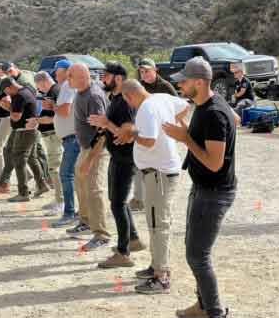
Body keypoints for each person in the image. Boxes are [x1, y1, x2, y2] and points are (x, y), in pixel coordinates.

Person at [163, 57, 237, 318]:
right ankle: (203, 306)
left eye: (183, 81)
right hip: (205, 189)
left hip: (213, 192)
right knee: (193, 250)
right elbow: (236, 119)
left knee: (198, 256)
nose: (179, 85)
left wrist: (186, 139)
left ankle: (214, 311)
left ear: (199, 82)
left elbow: (215, 163)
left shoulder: (214, 113)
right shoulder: (208, 105)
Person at [115, 79, 190, 294]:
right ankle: (157, 265)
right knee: (156, 222)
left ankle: (161, 276)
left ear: (129, 97)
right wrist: (169, 126)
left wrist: (131, 132)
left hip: (159, 174)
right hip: (159, 173)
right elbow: (185, 106)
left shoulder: (147, 109)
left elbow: (148, 140)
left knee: (159, 225)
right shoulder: (161, 98)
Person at [88, 62, 147, 268]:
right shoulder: (116, 99)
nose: (103, 79)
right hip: (118, 156)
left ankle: (123, 253)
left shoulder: (125, 102)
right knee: (117, 201)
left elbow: (128, 134)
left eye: (106, 76)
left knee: (117, 204)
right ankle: (133, 239)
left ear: (119, 79)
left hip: (125, 158)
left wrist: (106, 124)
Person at [65, 63, 111, 251]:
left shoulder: (93, 96)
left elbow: (103, 131)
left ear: (82, 76)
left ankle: (101, 235)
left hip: (96, 150)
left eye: (70, 76)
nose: (67, 79)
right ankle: (85, 221)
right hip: (85, 148)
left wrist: (90, 159)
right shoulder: (81, 92)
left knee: (94, 190)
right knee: (81, 183)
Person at [130, 58, 179, 212]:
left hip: (162, 134)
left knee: (160, 167)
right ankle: (138, 198)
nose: (144, 74)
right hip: (144, 130)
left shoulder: (165, 87)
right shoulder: (140, 87)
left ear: (155, 69)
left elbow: (178, 108)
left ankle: (158, 198)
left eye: (147, 71)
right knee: (139, 164)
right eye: (141, 72)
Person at [0, 77, 50, 202]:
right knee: (32, 158)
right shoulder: (26, 90)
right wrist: (8, 105)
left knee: (19, 160)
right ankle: (42, 185)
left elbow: (16, 117)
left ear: (9, 87)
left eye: (6, 91)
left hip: (24, 131)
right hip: (30, 130)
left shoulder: (19, 96)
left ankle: (23, 193)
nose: (6, 94)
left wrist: (6, 106)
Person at [50, 59, 80, 227]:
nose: (55, 74)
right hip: (71, 137)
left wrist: (52, 106)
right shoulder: (67, 86)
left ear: (67, 71)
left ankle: (69, 212)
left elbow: (65, 110)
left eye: (57, 70)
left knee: (66, 174)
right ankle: (77, 211)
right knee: (73, 176)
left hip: (72, 138)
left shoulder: (68, 86)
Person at [29, 71, 63, 215]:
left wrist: (36, 121)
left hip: (53, 134)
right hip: (50, 134)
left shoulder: (54, 91)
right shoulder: (53, 91)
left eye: (38, 86)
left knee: (55, 168)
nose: (39, 90)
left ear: (43, 81)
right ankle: (59, 199)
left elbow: (53, 118)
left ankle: (61, 201)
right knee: (53, 168)